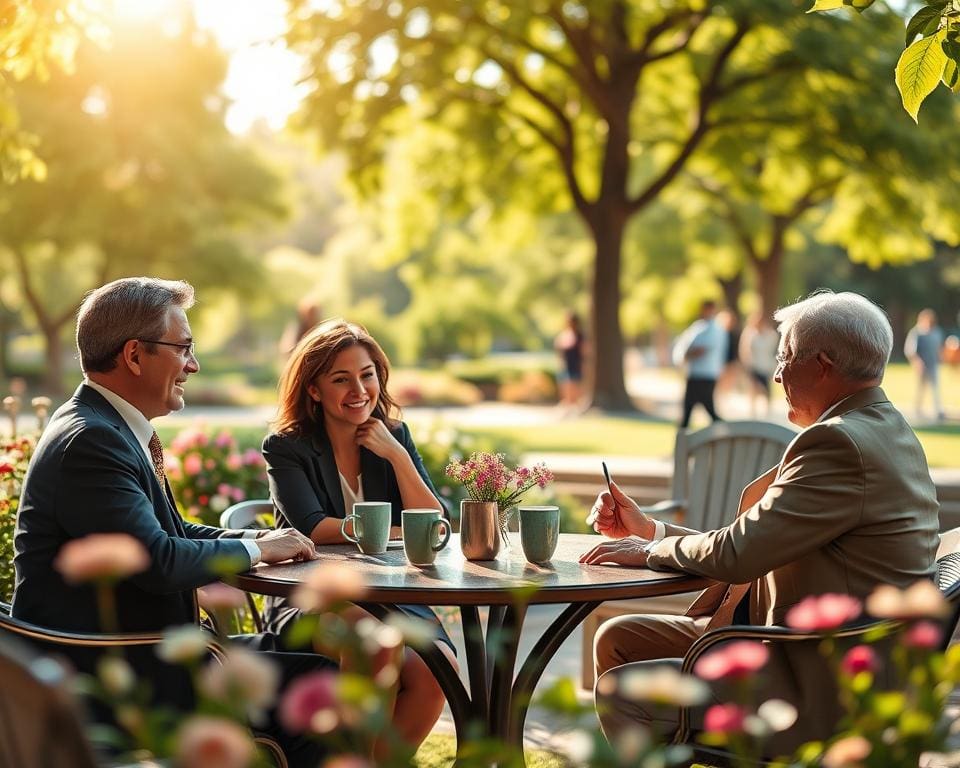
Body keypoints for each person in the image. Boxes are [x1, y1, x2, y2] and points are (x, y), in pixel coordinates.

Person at [581, 290, 939, 756]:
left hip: (819, 683)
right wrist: (651, 531)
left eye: (784, 356)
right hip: (809, 648)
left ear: (823, 364)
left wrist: (649, 552)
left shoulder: (839, 444)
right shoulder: (881, 426)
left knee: (620, 691)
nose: (775, 373)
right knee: (620, 637)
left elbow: (737, 554)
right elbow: (756, 543)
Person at [11, 277, 333, 768]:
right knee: (323, 685)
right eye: (183, 348)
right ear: (135, 355)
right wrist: (260, 552)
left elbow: (171, 535)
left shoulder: (106, 426)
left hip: (142, 651)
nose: (194, 365)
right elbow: (159, 561)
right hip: (122, 674)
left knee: (318, 649)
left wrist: (259, 539)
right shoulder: (92, 442)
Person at [262, 318, 457, 752]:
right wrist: (393, 530)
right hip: (313, 597)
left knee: (437, 668)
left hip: (394, 596)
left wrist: (397, 455)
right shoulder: (286, 446)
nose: (359, 390)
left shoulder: (394, 435)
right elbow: (312, 527)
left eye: (367, 375)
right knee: (374, 642)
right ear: (314, 390)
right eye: (341, 379)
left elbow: (434, 523)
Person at [673, 300, 727, 428]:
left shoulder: (715, 329)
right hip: (695, 374)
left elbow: (701, 350)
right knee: (688, 409)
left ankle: (724, 430)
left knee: (709, 409)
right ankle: (682, 437)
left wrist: (688, 354)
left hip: (706, 375)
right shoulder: (698, 327)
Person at [904, 308, 945, 421]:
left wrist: (942, 357)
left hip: (933, 365)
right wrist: (917, 362)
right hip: (922, 366)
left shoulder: (936, 331)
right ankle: (917, 409)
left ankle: (938, 411)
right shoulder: (917, 332)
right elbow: (910, 350)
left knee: (935, 388)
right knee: (920, 389)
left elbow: (939, 348)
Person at [738, 310, 779, 418]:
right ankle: (753, 412)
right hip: (754, 365)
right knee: (753, 388)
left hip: (766, 365)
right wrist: (746, 363)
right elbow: (745, 349)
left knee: (766, 389)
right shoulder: (750, 334)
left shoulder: (770, 334)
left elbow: (772, 349)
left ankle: (767, 411)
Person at [554, 311, 586, 411]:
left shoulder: (580, 336)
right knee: (565, 384)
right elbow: (559, 349)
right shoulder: (564, 335)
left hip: (576, 364)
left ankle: (575, 405)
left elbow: (584, 351)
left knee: (575, 385)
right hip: (566, 364)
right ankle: (567, 405)